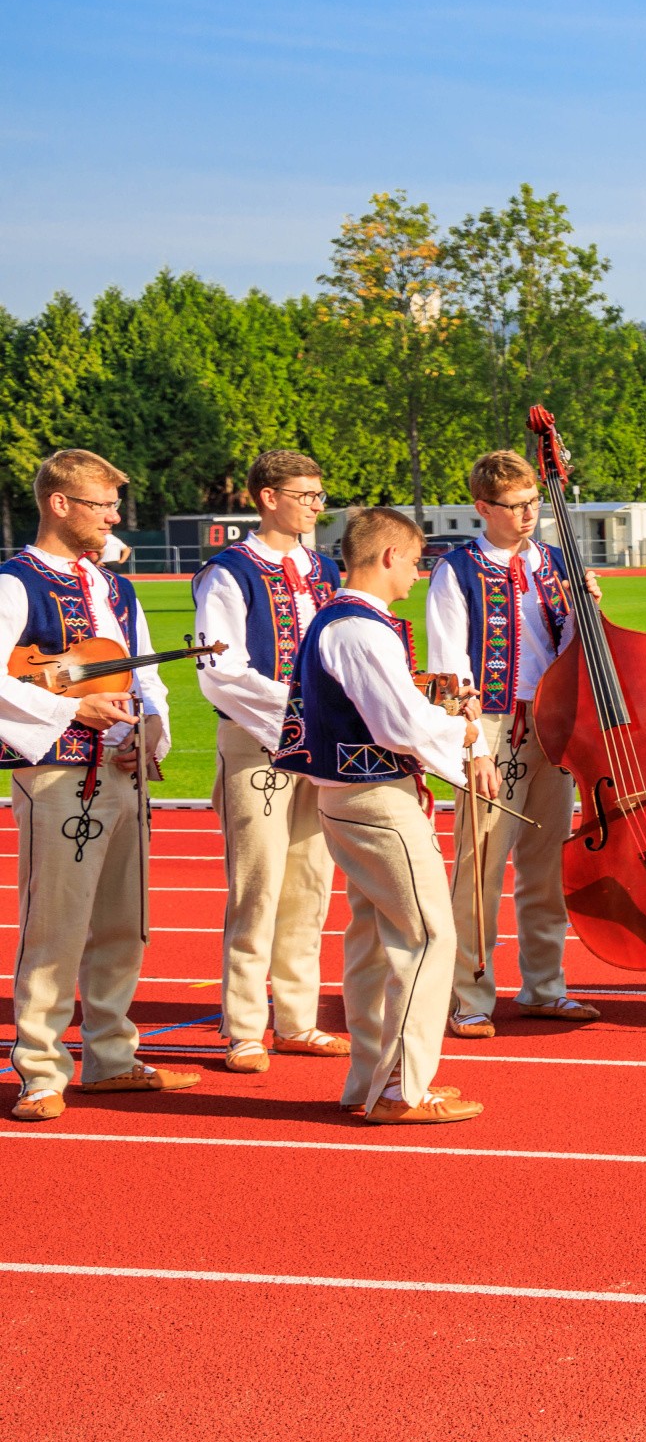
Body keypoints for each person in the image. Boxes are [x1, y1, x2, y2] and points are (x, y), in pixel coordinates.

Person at [277, 506, 495, 1124]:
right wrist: (463, 729)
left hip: (357, 795)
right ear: (390, 556)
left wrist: (438, 719)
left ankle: (372, 1081)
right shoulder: (359, 628)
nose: (418, 575)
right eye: (416, 561)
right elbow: (399, 724)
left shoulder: (346, 621)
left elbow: (392, 713)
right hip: (373, 797)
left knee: (376, 940)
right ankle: (401, 1089)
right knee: (427, 935)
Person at [1, 451, 193, 1123]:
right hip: (57, 771)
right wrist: (69, 710)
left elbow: (145, 675)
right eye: (102, 505)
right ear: (60, 504)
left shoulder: (116, 588)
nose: (114, 518)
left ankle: (111, 1057)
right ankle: (40, 1069)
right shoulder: (15, 584)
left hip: (122, 770)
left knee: (123, 924)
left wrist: (153, 728)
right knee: (56, 924)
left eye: (114, 505)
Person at [425, 450, 597, 1037]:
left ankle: (545, 987)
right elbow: (448, 660)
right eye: (516, 505)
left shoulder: (556, 562)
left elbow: (571, 650)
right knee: (481, 865)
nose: (529, 514)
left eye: (534, 502)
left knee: (546, 865)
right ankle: (468, 995)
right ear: (484, 507)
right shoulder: (458, 570)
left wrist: (586, 611)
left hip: (553, 723)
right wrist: (471, 745)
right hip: (490, 725)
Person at [193, 449, 347, 1072]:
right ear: (267, 497)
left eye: (318, 495)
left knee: (311, 883)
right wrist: (297, 702)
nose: (316, 506)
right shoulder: (228, 572)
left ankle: (298, 1020)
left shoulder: (325, 568)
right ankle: (244, 1028)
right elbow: (218, 668)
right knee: (257, 887)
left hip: (322, 744)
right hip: (257, 741)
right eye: (305, 495)